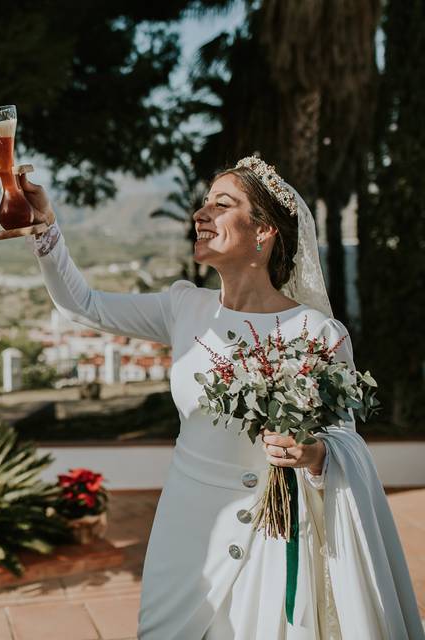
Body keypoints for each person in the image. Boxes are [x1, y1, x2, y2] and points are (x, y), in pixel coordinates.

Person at [21, 158, 423, 639]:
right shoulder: (183, 307)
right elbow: (82, 305)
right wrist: (45, 228)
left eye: (222, 204)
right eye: (205, 202)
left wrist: (314, 453)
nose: (201, 213)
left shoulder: (317, 332)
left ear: (264, 231)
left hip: (274, 537)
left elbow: (343, 439)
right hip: (186, 533)